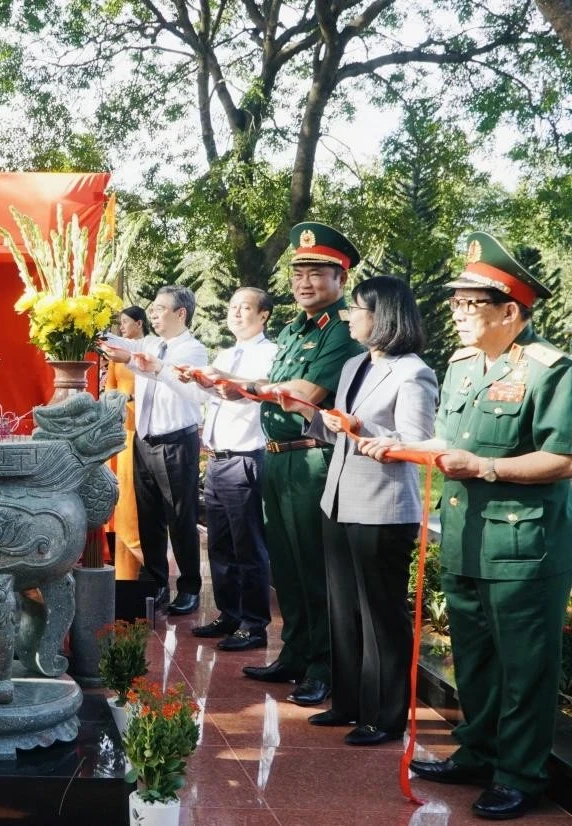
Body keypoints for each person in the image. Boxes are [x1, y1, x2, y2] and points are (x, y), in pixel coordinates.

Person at [364, 233, 572, 820]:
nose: (456, 313)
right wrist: (400, 447)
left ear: (510, 311)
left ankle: (521, 774)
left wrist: (485, 467)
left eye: (469, 304)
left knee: (525, 667)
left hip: (522, 545)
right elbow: (449, 444)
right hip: (465, 537)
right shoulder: (459, 367)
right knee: (476, 658)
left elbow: (563, 458)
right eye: (454, 303)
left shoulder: (549, 370)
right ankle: (478, 751)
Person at [199, 222, 364, 707]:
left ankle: (323, 666)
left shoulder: (340, 333)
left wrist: (246, 384)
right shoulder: (293, 331)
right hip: (276, 459)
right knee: (287, 570)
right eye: (299, 273)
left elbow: (306, 396)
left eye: (318, 272)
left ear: (341, 278)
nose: (305, 282)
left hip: (312, 460)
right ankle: (294, 653)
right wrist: (233, 384)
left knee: (314, 569)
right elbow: (273, 387)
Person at [280, 276, 437, 745]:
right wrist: (311, 415)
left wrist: (370, 434)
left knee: (379, 612)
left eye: (358, 310)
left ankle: (386, 715)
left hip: (384, 506)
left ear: (383, 316)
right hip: (340, 499)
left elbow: (417, 442)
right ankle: (347, 703)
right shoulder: (353, 367)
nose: (351, 317)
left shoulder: (413, 372)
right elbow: (335, 434)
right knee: (343, 608)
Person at [103, 285, 208, 614]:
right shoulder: (149, 343)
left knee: (180, 516)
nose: (154, 314)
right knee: (148, 518)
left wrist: (148, 364)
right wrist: (94, 329)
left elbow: (174, 378)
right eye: (153, 308)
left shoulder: (192, 350)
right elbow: (126, 345)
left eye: (161, 308)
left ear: (181, 313)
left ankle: (189, 586)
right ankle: (159, 583)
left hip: (176, 441)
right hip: (145, 441)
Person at [189, 288, 278, 651]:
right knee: (219, 545)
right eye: (233, 308)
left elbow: (251, 392)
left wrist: (219, 378)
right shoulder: (225, 353)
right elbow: (219, 396)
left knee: (248, 546)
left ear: (264, 316)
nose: (236, 314)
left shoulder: (269, 354)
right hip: (218, 457)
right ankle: (229, 613)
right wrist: (200, 381)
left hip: (246, 455)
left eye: (245, 309)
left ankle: (254, 623)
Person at [103, 305, 152, 580]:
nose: (121, 327)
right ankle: (120, 572)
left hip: (140, 430)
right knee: (117, 499)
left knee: (132, 502)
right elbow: (110, 389)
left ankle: (143, 564)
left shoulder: (150, 350)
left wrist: (131, 401)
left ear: (140, 323)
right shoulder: (115, 356)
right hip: (120, 432)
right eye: (119, 322)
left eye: (125, 322)